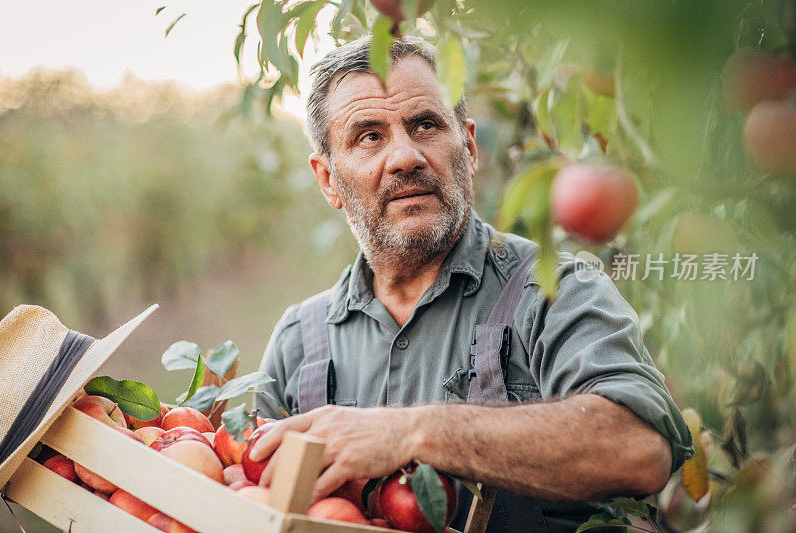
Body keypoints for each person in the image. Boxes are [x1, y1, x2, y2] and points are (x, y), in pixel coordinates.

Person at [250, 35, 693, 531]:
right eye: (369, 136)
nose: (405, 156)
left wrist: (415, 432)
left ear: (470, 146)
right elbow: (247, 496)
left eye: (426, 124)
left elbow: (639, 448)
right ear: (328, 179)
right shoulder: (298, 341)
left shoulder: (555, 290)